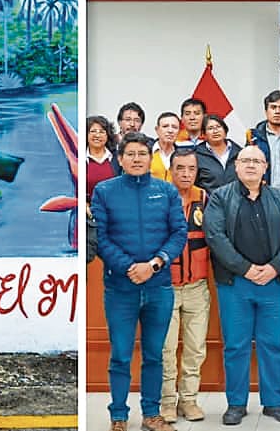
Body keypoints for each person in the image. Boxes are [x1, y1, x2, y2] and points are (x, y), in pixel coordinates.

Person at [92, 134, 188, 431]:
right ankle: (119, 416)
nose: (136, 159)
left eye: (142, 154)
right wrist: (130, 267)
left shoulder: (166, 191)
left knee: (154, 356)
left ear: (150, 158)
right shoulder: (104, 191)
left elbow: (179, 233)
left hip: (159, 286)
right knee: (121, 355)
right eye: (130, 154)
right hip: (121, 289)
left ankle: (151, 414)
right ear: (120, 159)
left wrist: (154, 264)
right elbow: (101, 238)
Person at [203, 145, 280, 425]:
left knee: (273, 344)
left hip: (273, 282)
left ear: (266, 167)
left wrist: (275, 267)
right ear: (237, 165)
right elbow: (215, 236)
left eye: (257, 161)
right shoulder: (220, 197)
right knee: (235, 346)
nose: (252, 165)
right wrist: (246, 269)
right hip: (235, 283)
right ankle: (236, 404)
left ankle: (274, 402)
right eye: (246, 160)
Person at [160, 147, 211, 423]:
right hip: (165, 287)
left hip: (196, 287)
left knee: (195, 347)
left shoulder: (205, 198)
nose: (186, 174)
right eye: (180, 168)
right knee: (166, 349)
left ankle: (188, 400)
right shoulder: (158, 199)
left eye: (191, 169)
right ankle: (167, 401)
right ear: (171, 170)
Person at [194, 114, 241, 192]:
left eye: (218, 127)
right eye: (210, 128)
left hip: (237, 198)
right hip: (210, 199)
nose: (215, 131)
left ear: (225, 131)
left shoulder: (240, 153)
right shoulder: (196, 155)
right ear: (204, 134)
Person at [86, 115, 120, 202]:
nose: (97, 135)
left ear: (108, 135)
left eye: (102, 132)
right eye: (93, 131)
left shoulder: (118, 157)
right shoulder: (78, 157)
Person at [150, 112, 182, 182]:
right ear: (157, 130)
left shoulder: (182, 156)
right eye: (165, 126)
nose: (170, 131)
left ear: (179, 131)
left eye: (174, 127)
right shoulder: (146, 152)